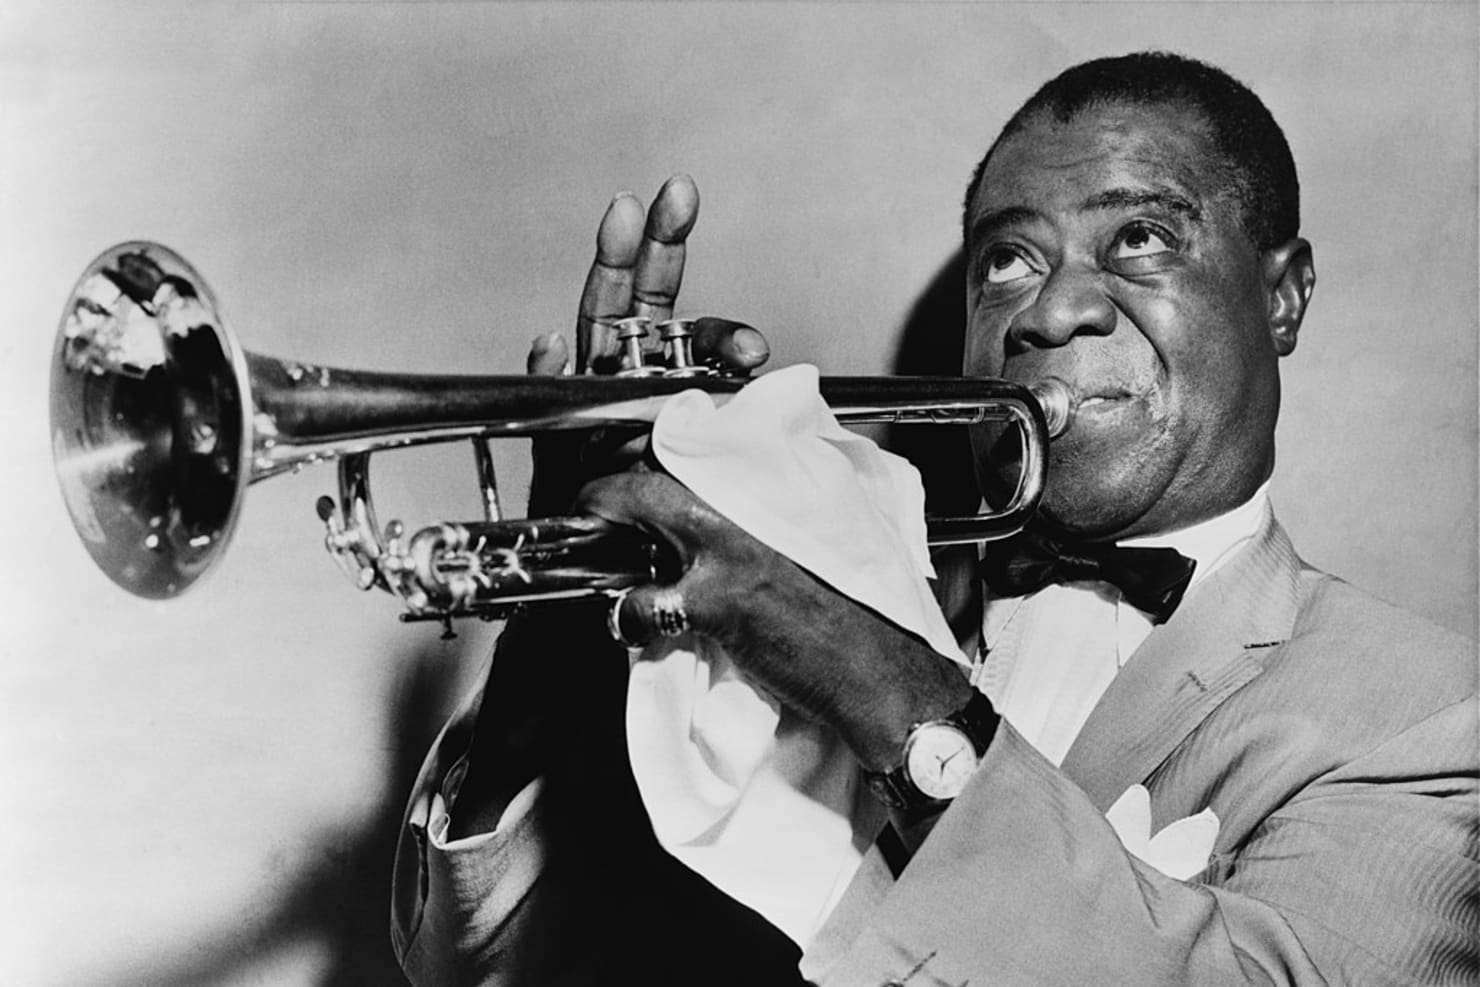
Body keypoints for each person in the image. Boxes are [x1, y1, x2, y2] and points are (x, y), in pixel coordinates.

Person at [390, 52, 1478, 986]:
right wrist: (553, 649)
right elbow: (493, 968)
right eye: (1008, 260)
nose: (1050, 310)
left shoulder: (1422, 714)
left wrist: (882, 686)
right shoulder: (818, 594)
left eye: (1142, 237)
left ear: (1281, 295)